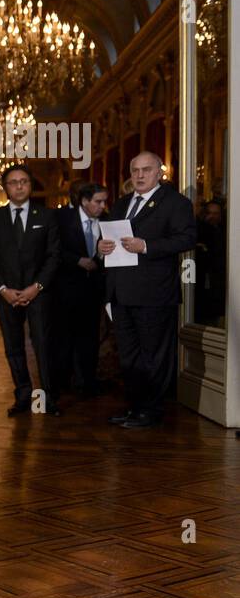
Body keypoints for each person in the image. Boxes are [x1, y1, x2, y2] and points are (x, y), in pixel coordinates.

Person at [98, 152, 197, 429]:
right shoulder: (120, 204)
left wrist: (147, 246)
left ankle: (151, 411)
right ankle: (134, 407)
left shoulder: (176, 203)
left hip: (154, 293)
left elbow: (187, 238)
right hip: (120, 292)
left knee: (154, 356)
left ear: (159, 173)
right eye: (135, 170)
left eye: (146, 170)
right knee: (128, 356)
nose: (140, 175)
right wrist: (100, 248)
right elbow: (108, 239)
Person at [0, 163, 60, 417]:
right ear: (5, 188)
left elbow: (54, 256)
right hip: (6, 295)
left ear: (30, 185)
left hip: (39, 293)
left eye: (23, 181)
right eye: (13, 182)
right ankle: (23, 395)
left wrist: (36, 287)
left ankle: (48, 398)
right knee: (13, 347)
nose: (19, 186)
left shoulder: (47, 216)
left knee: (43, 346)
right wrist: (3, 289)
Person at [52, 182, 108, 398]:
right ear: (84, 201)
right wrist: (77, 261)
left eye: (104, 201)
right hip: (65, 289)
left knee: (90, 339)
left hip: (93, 290)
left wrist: (99, 258)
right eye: (98, 201)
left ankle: (88, 382)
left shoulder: (107, 220)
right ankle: (62, 381)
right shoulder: (61, 219)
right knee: (63, 337)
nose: (103, 205)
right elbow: (53, 249)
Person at [195, 199, 226, 326]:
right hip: (200, 282)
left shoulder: (226, 231)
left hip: (220, 283)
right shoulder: (199, 230)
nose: (212, 216)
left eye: (216, 213)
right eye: (209, 213)